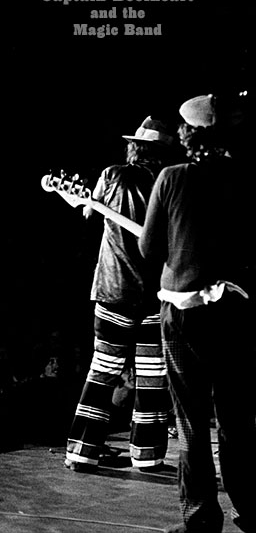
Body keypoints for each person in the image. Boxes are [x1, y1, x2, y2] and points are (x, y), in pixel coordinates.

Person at [139, 94, 256, 533]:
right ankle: (253, 512)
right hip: (235, 314)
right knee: (236, 418)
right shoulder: (245, 179)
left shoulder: (170, 179)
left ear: (187, 134)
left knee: (190, 418)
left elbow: (149, 249)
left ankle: (201, 517)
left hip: (185, 313)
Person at [64, 117, 175, 472]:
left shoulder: (112, 175)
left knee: (103, 371)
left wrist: (72, 196)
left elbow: (86, 209)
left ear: (135, 147)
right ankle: (148, 454)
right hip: (155, 294)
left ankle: (82, 451)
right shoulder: (168, 184)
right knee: (152, 377)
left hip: (114, 289)